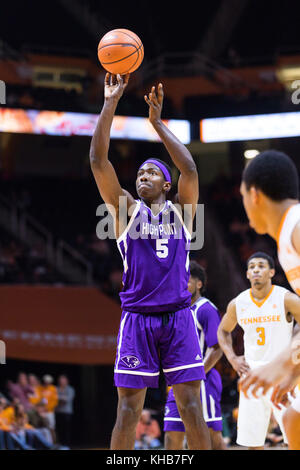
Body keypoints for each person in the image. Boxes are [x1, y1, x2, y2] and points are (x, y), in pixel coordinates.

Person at [90, 73, 211, 450]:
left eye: (152, 173)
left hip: (178, 317)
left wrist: (157, 124)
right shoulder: (125, 211)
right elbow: (98, 161)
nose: (143, 176)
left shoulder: (183, 215)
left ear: (166, 184)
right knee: (127, 411)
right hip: (138, 318)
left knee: (192, 407)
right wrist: (110, 103)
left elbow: (190, 169)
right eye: (140, 172)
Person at [238, 150, 300, 449]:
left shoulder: (297, 225)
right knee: (292, 420)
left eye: (242, 196)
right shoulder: (288, 233)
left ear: (254, 194)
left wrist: (287, 361)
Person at [218, 251, 300, 449]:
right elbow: (222, 331)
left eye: (261, 266)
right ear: (247, 274)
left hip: (282, 374)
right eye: (252, 267)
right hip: (252, 376)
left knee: (294, 437)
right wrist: (232, 358)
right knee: (252, 441)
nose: (256, 270)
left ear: (271, 272)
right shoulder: (238, 303)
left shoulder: (286, 298)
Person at [164, 261, 226, 450]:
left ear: (199, 284)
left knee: (210, 435)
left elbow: (217, 348)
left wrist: (197, 374)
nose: (183, 284)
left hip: (203, 380)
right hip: (178, 382)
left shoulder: (206, 309)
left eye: (187, 281)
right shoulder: (175, 311)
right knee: (172, 433)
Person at [55, 374, 75, 447]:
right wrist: (60, 398)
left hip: (67, 412)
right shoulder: (56, 389)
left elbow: (67, 399)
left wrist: (58, 398)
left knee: (66, 430)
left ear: (67, 381)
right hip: (58, 412)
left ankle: (67, 445)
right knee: (59, 429)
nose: (62, 382)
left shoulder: (70, 389)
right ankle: (60, 445)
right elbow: (53, 399)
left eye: (63, 380)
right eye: (60, 380)